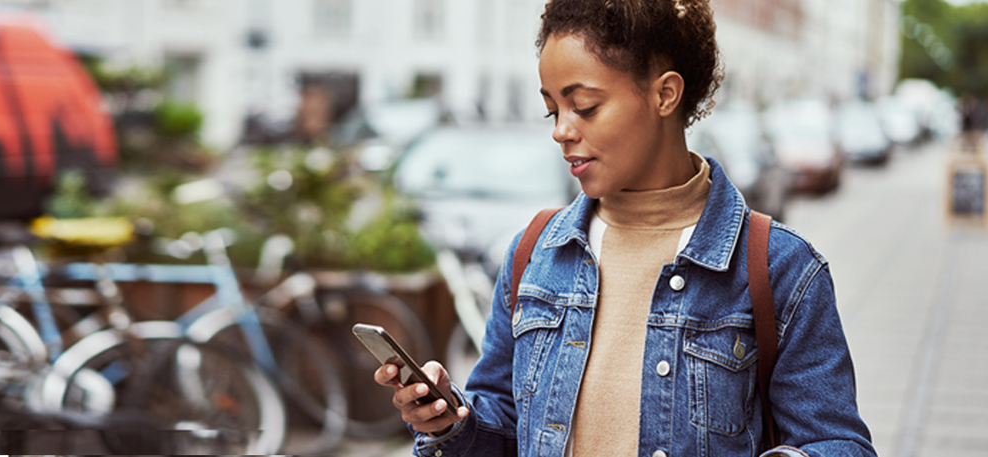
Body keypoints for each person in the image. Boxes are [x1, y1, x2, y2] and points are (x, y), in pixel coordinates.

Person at [374, 1, 876, 456]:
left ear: (665, 94)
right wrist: (449, 423)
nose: (561, 130)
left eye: (584, 106)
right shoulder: (536, 253)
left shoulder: (779, 269)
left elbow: (838, 444)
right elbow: (506, 428)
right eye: (553, 108)